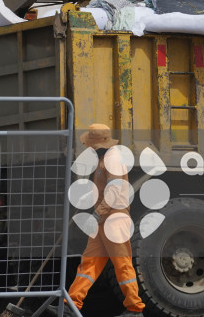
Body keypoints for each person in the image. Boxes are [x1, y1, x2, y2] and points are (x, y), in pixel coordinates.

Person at [67, 123, 145, 317]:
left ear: (97, 144)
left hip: (114, 219)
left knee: (122, 264)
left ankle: (135, 309)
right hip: (104, 219)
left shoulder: (113, 159)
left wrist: (95, 214)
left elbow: (113, 192)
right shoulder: (103, 159)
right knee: (89, 264)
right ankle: (72, 304)